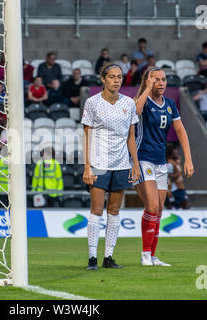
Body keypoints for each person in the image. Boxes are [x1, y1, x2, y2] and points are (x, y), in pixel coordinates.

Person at [81, 63, 141, 270]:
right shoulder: (92, 102)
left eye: (119, 77)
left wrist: (135, 163)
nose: (116, 80)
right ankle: (91, 258)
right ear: (103, 79)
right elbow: (86, 135)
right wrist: (87, 166)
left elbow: (131, 136)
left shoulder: (129, 104)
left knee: (114, 210)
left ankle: (108, 257)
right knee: (96, 209)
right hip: (98, 164)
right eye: (112, 76)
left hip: (122, 163)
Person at [134, 67, 194, 266]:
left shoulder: (169, 105)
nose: (161, 83)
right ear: (148, 81)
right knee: (151, 206)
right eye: (156, 79)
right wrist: (146, 88)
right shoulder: (142, 101)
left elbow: (181, 132)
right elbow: (136, 111)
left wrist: (189, 158)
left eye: (163, 79)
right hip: (143, 159)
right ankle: (144, 254)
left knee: (159, 210)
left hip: (160, 162)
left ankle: (152, 255)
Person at [165, 144, 190, 210]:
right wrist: (176, 174)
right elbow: (167, 175)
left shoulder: (175, 162)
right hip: (174, 188)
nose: (177, 152)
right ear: (171, 153)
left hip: (179, 187)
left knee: (183, 204)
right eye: (175, 151)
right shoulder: (170, 164)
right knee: (183, 203)